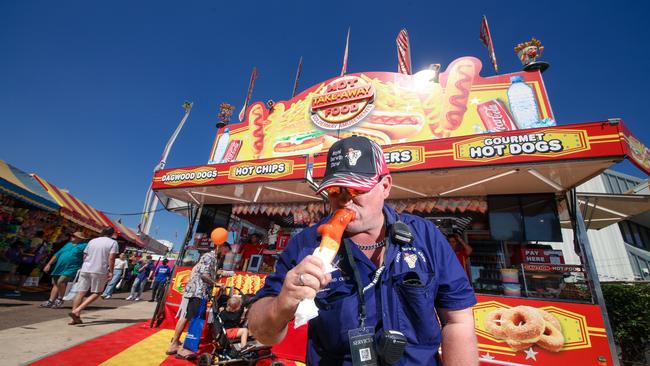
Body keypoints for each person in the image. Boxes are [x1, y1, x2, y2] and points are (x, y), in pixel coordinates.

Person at [247, 136, 478, 365]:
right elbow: (260, 332)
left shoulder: (425, 236)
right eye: (336, 191)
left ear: (385, 186)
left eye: (356, 189)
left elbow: (458, 321)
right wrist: (281, 305)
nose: (345, 201)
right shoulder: (306, 244)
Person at [167, 242, 230, 359]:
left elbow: (208, 273)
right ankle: (186, 349)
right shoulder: (209, 257)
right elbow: (204, 275)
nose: (225, 254)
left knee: (186, 317)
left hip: (196, 291)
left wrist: (220, 274)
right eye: (226, 251)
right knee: (196, 320)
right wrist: (216, 284)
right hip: (199, 292)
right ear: (221, 246)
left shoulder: (212, 258)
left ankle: (174, 344)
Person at [68, 227, 118, 325]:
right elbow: (111, 258)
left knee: (80, 292)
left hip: (86, 268)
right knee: (97, 292)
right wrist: (111, 271)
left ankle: (74, 318)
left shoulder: (92, 241)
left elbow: (85, 255)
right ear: (112, 234)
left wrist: (86, 263)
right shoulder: (113, 243)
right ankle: (77, 311)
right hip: (99, 269)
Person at [40, 231, 88, 308]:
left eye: (74, 236)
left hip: (71, 268)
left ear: (80, 238)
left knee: (60, 281)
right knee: (56, 284)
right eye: (72, 235)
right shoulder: (68, 244)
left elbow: (87, 256)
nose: (71, 237)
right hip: (59, 267)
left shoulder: (84, 246)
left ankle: (60, 299)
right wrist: (48, 264)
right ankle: (50, 301)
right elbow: (57, 254)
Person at [8, 231, 48, 296]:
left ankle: (17, 290)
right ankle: (18, 289)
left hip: (28, 259)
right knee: (25, 274)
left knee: (23, 274)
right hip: (34, 261)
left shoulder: (35, 240)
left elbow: (32, 249)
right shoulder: (44, 243)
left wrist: (23, 251)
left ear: (36, 234)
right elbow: (44, 253)